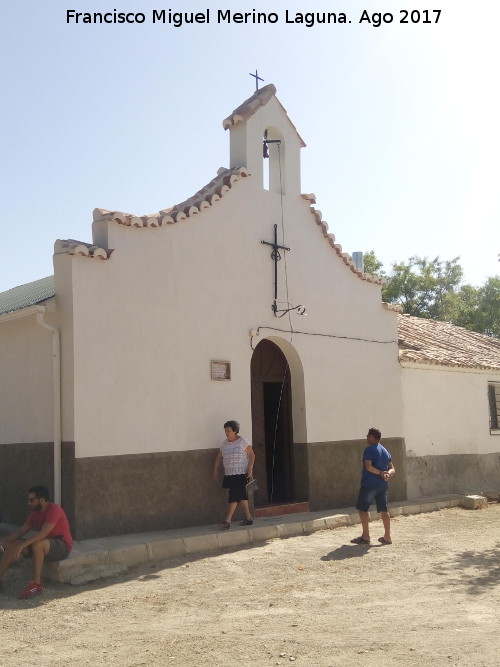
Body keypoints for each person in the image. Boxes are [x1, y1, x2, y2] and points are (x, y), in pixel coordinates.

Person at [0, 485, 73, 598]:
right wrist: (5, 540)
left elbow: (43, 533)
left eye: (31, 500)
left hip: (61, 545)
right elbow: (21, 532)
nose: (28, 503)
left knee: (38, 544)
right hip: (45, 544)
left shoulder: (55, 510)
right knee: (15, 544)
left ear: (42, 500)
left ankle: (36, 584)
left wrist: (22, 545)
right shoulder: (35, 513)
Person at [351, 427, 395, 545]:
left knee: (362, 509)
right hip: (383, 485)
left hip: (369, 484)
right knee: (383, 510)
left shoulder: (369, 450)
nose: (366, 438)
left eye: (367, 436)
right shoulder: (385, 451)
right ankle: (387, 536)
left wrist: (381, 473)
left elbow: (368, 466)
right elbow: (392, 469)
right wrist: (387, 474)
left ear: (372, 437)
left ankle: (366, 536)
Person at [213, 420, 256, 530]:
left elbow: (251, 455)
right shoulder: (225, 443)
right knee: (241, 495)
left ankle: (228, 520)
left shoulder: (243, 441)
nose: (226, 433)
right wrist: (216, 468)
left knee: (234, 495)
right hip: (229, 473)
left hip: (241, 473)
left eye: (229, 430)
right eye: (225, 431)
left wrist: (250, 469)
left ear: (235, 431)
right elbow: (219, 456)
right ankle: (248, 518)